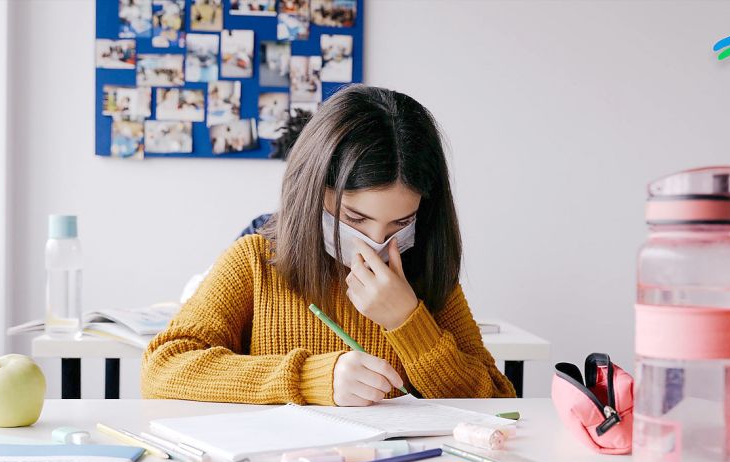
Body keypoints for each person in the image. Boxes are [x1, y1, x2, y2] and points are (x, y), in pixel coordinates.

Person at [142, 84, 515, 406]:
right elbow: (161, 369)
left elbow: (498, 401)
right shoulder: (255, 261)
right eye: (355, 219)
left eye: (401, 223)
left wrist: (408, 322)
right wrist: (312, 378)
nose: (377, 242)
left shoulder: (425, 273)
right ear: (313, 194)